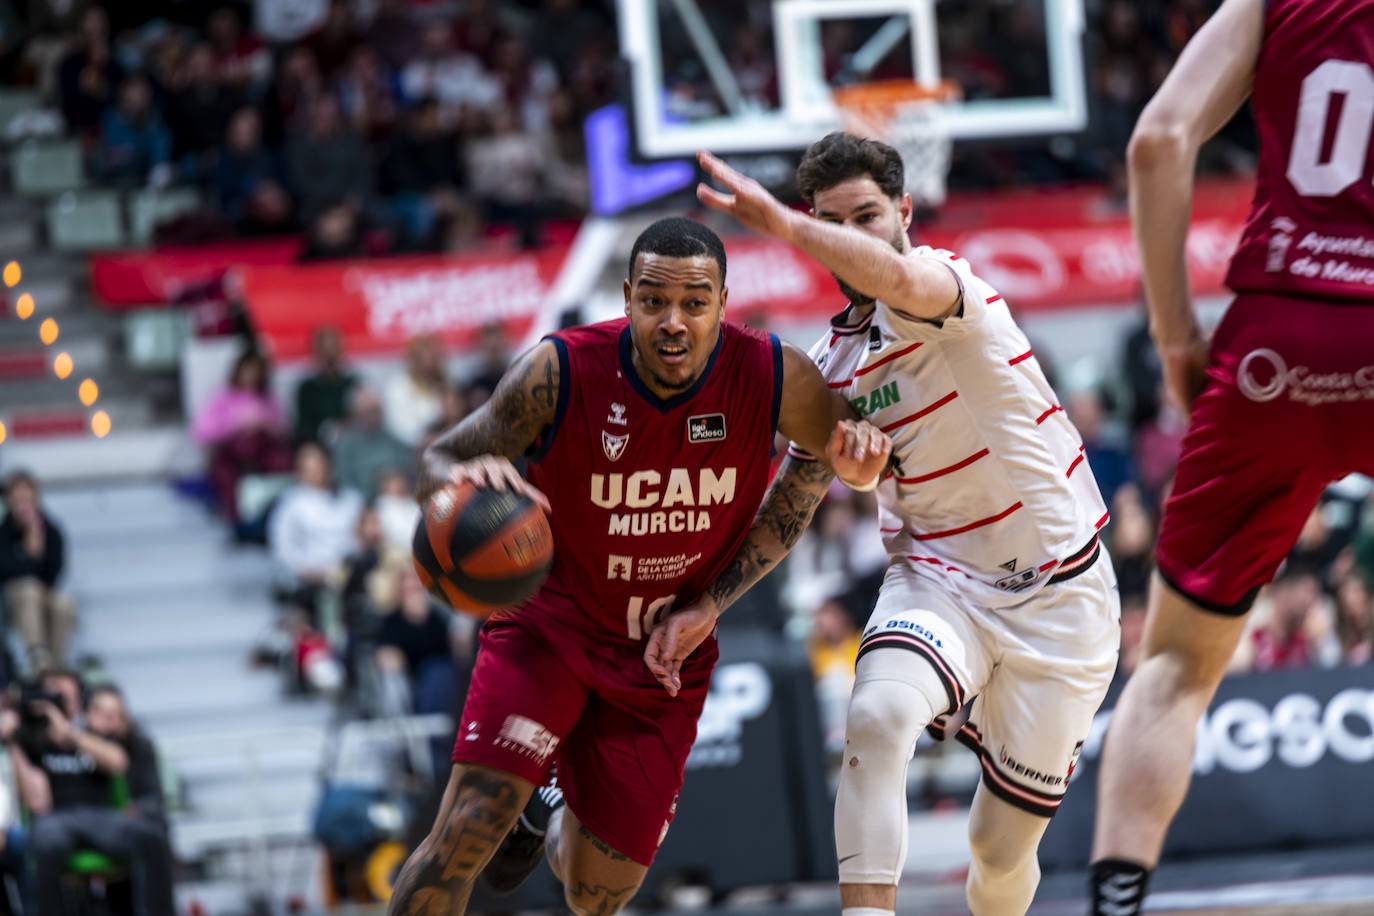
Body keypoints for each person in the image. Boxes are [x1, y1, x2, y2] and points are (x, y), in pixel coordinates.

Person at [647, 140, 1120, 916]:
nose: (856, 237)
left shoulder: (949, 287)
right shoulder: (830, 370)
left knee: (998, 861)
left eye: (867, 216)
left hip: (1060, 595)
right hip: (937, 580)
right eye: (832, 223)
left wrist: (784, 226)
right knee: (876, 716)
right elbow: (792, 500)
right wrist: (711, 603)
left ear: (903, 211)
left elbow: (895, 277)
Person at [387, 216, 891, 916]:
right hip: (551, 627)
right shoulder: (559, 369)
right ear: (626, 298)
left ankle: (549, 804)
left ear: (722, 301)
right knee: (465, 831)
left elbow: (822, 472)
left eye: (694, 301)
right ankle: (522, 800)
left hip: (661, 655)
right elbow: (440, 459)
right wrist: (467, 485)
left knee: (596, 895)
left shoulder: (774, 376)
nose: (673, 321)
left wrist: (712, 601)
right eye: (654, 300)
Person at [1088, 0, 1374, 911]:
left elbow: (1158, 141)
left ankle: (1113, 902)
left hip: (1276, 339)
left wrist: (1176, 336)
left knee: (1174, 667)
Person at [1, 672, 174, 916]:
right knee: (43, 843)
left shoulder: (94, 727)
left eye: (63, 692)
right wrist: (14, 743)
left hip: (102, 817)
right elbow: (38, 803)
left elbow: (118, 762)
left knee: (151, 836)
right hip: (57, 818)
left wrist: (71, 734)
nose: (56, 698)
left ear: (78, 697)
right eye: (50, 691)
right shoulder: (32, 738)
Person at [0, 472, 77, 670]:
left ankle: (54, 665)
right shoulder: (3, 531)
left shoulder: (51, 531)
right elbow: (6, 570)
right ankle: (37, 656)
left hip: (42, 593)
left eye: (27, 498)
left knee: (64, 603)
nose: (23, 504)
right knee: (28, 589)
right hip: (11, 598)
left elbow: (54, 574)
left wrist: (38, 540)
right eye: (18, 499)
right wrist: (30, 553)